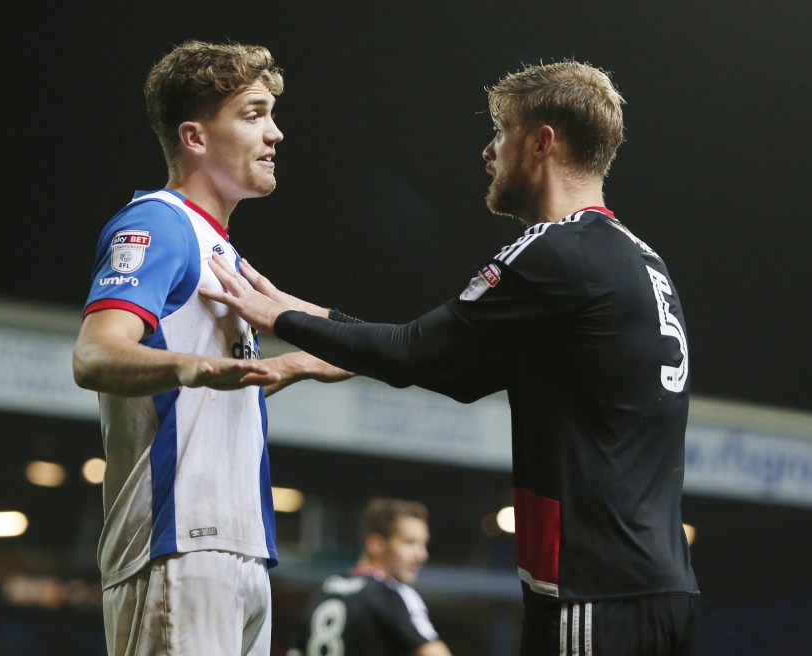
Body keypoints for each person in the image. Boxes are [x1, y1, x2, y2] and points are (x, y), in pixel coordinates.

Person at [202, 60, 701, 655]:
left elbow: (417, 349)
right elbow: (460, 372)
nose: (489, 153)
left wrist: (281, 317)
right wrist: (321, 340)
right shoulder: (638, 259)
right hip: (656, 588)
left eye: (501, 132)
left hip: (593, 592)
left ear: (542, 141)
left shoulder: (555, 251)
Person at [72, 41, 349, 656]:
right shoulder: (158, 222)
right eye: (253, 114)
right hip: (177, 543)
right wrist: (193, 367)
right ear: (195, 137)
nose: (275, 133)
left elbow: (218, 378)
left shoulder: (223, 251)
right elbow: (93, 355)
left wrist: (286, 366)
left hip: (242, 548)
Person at [291, 498, 453, 656]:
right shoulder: (392, 595)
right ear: (376, 544)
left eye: (423, 544)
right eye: (409, 543)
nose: (421, 555)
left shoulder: (324, 592)